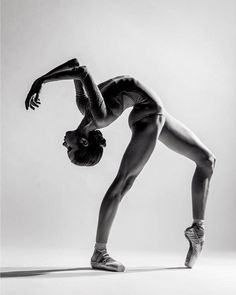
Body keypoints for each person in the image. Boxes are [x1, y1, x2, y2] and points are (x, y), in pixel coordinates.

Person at [25, 58, 216, 272]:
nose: (64, 145)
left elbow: (77, 65)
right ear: (83, 142)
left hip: (152, 111)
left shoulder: (84, 107)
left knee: (207, 160)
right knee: (123, 183)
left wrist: (41, 80)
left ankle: (198, 230)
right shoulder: (99, 116)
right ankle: (100, 253)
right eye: (69, 149)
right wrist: (42, 81)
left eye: (67, 149)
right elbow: (82, 72)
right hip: (150, 116)